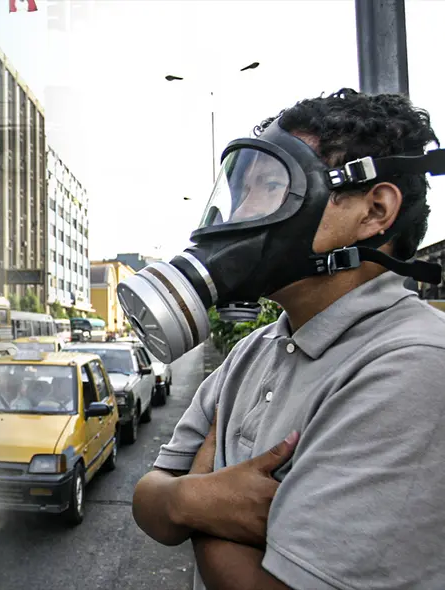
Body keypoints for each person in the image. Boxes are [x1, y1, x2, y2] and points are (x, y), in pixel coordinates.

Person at [131, 89, 445, 589]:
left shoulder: (414, 366)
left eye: (273, 186)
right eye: (241, 191)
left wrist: (192, 506)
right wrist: (193, 500)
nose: (241, 214)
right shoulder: (252, 351)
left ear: (374, 210)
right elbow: (149, 498)